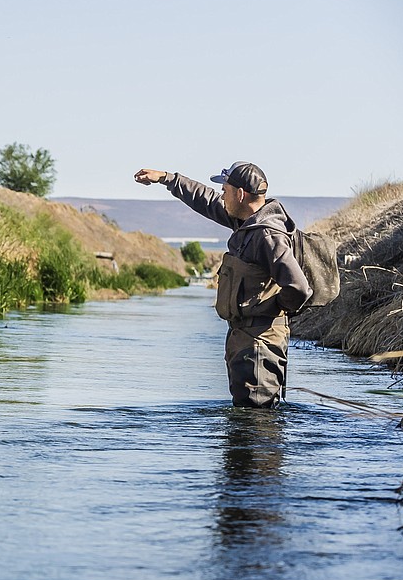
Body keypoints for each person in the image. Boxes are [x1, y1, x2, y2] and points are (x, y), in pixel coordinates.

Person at [133, 162, 311, 408]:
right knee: (247, 420)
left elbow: (299, 287)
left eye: (225, 190)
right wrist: (167, 178)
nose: (221, 196)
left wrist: (270, 307)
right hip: (245, 339)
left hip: (259, 343)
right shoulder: (246, 223)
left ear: (240, 194)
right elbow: (204, 199)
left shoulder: (268, 235)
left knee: (256, 424)